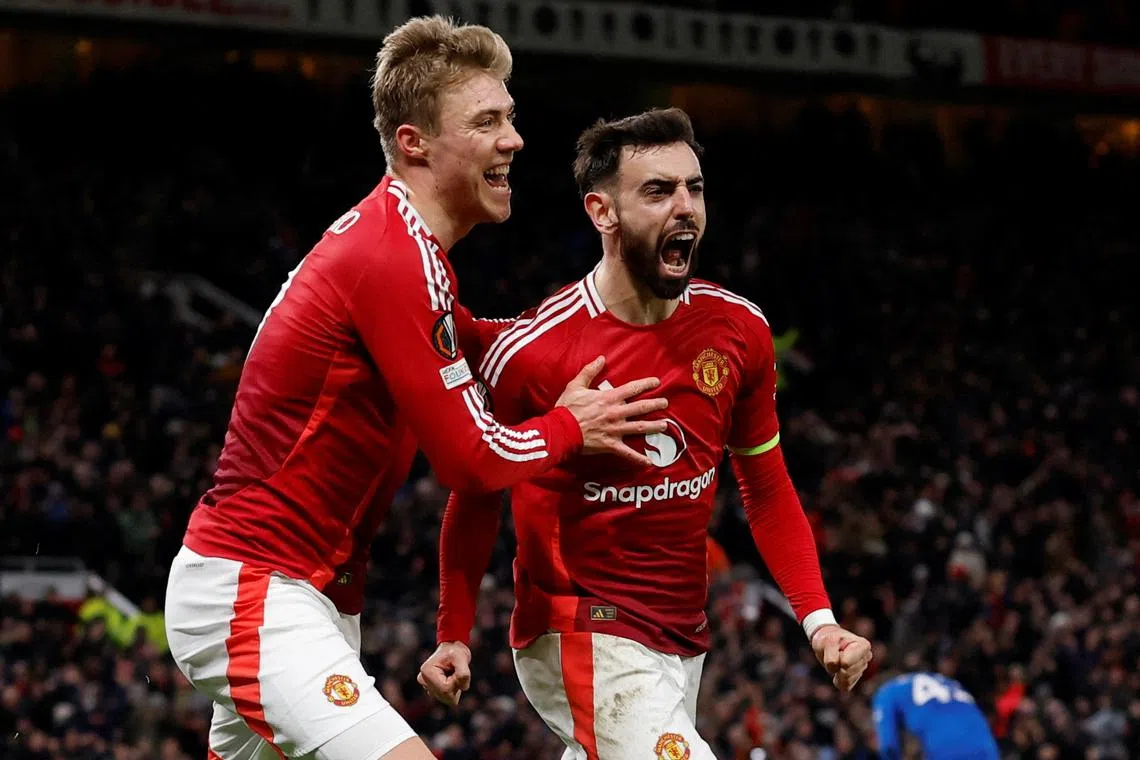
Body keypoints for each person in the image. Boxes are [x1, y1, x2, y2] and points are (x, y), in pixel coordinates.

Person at [163, 17, 670, 760]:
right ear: (415, 142)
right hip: (257, 589)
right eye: (488, 121)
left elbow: (489, 343)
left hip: (307, 596)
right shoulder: (394, 258)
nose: (515, 139)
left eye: (512, 117)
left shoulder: (402, 251)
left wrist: (612, 320)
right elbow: (471, 460)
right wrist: (569, 424)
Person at [418, 108, 873, 759]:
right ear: (603, 212)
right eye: (658, 191)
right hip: (575, 627)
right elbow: (476, 491)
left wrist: (821, 623)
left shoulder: (739, 331)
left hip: (682, 637)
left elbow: (766, 486)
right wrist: (454, 631)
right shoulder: (536, 351)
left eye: (694, 188)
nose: (685, 206)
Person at [872, 671, 1000, 760]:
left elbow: (888, 746)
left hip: (947, 748)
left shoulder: (886, 691)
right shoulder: (947, 682)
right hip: (988, 746)